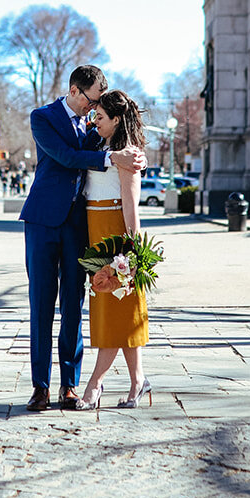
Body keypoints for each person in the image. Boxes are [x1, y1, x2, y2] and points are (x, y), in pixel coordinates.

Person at [20, 66, 145, 412]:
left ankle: (69, 385)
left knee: (74, 305)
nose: (93, 110)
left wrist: (135, 156)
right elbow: (65, 157)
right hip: (43, 221)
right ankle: (40, 387)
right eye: (90, 101)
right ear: (75, 91)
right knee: (42, 304)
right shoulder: (42, 117)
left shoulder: (92, 126)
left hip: (79, 225)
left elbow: (115, 141)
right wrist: (111, 157)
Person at [79, 91, 151, 410]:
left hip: (116, 239)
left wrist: (134, 254)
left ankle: (94, 385)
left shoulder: (128, 154)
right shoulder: (102, 148)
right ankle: (138, 382)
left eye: (101, 118)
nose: (95, 123)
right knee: (120, 313)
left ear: (117, 120)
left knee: (114, 312)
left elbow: (131, 207)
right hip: (96, 233)